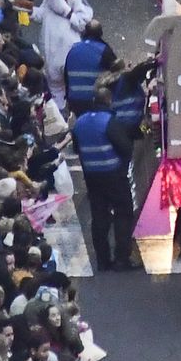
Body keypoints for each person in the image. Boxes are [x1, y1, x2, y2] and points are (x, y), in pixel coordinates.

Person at [72, 90, 137, 271]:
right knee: (123, 213)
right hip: (114, 174)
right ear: (109, 102)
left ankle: (102, 260)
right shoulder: (109, 122)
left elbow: (77, 148)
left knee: (99, 216)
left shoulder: (80, 122)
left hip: (92, 176)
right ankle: (122, 258)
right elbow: (125, 148)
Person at [62, 20, 118, 118]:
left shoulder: (73, 49)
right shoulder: (104, 49)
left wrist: (68, 99)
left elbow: (66, 77)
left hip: (75, 100)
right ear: (100, 34)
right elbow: (117, 74)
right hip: (94, 100)